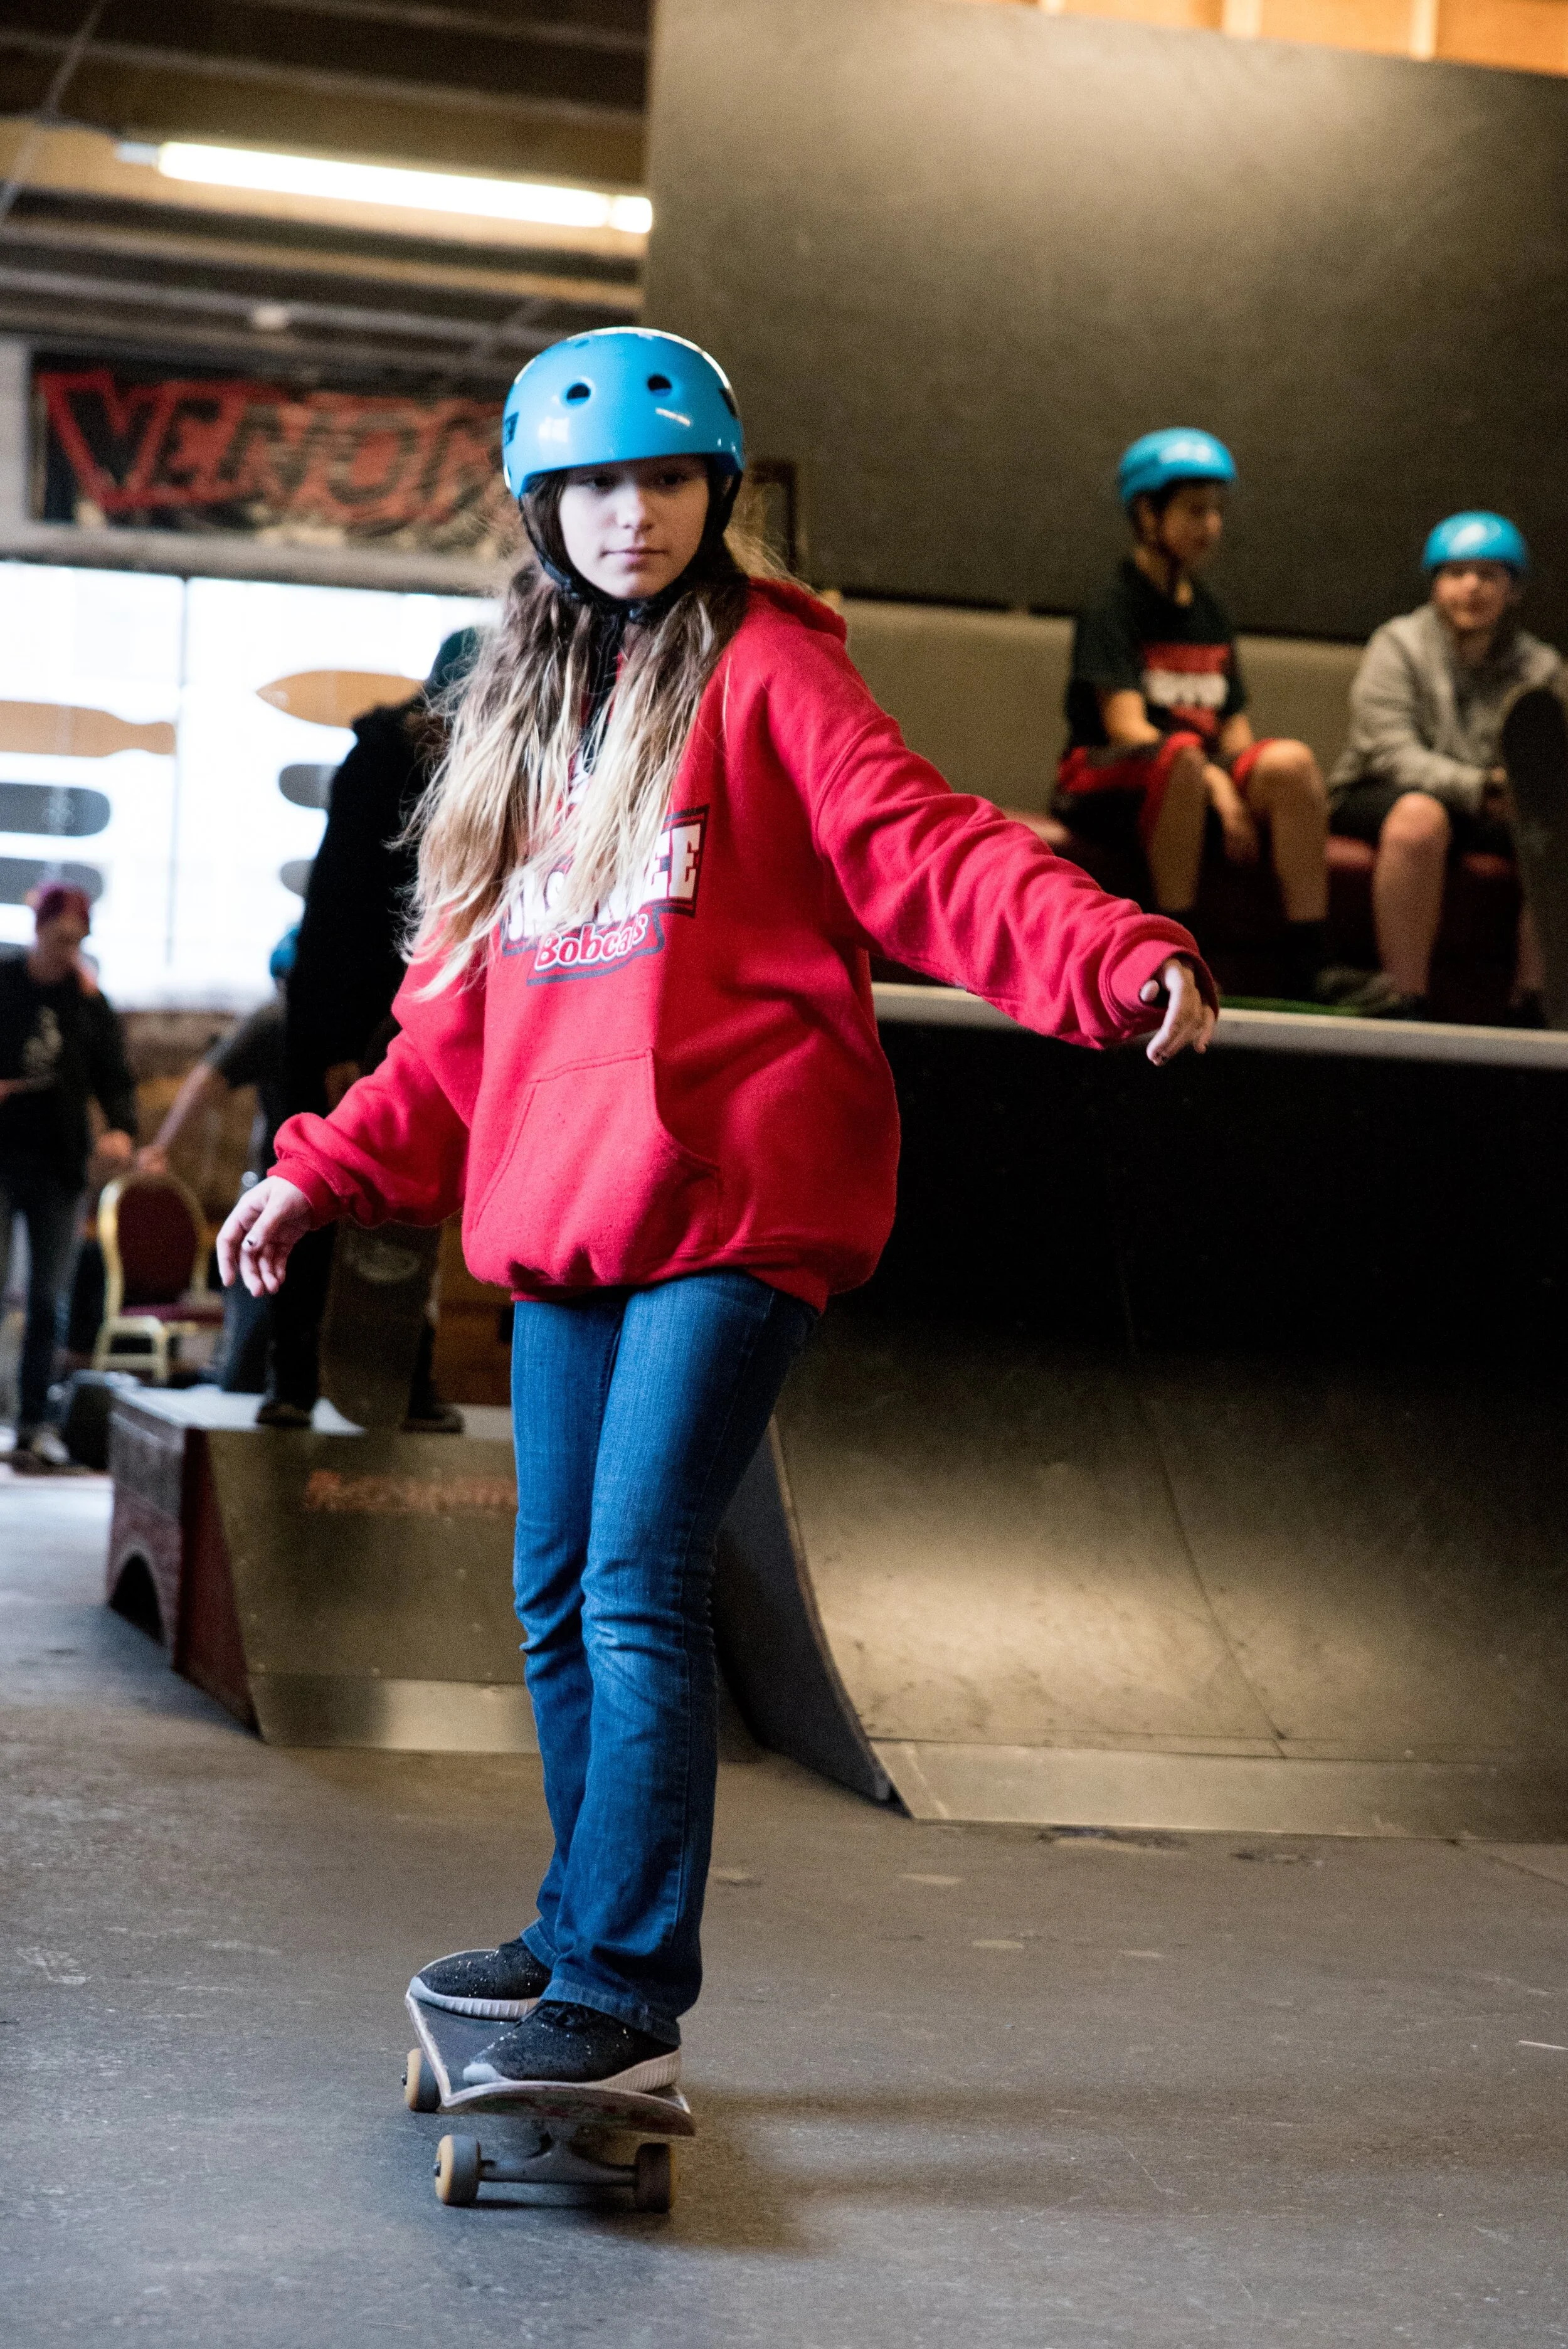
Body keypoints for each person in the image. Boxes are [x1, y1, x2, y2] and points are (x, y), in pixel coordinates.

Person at [219, 326, 1217, 2096]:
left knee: (634, 1580)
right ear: (543, 508)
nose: (630, 516)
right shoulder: (518, 733)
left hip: (737, 1196)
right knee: (548, 1593)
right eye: (593, 486)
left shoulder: (768, 676)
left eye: (664, 480)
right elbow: (451, 1029)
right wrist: (318, 1167)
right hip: (568, 1216)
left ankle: (617, 1981)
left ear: (713, 496)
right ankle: (578, 1909)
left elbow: (923, 846)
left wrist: (1104, 949)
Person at [1056, 428, 1389, 1010]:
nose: (1209, 525)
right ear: (1146, 512)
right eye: (1192, 511)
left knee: (1290, 763)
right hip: (1106, 778)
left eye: (1215, 512)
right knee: (1181, 756)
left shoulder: (1209, 610)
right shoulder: (1112, 605)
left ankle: (1311, 961)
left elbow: (1234, 731)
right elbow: (1127, 728)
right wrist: (1216, 783)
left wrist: (1252, 788)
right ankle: (1179, 956)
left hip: (1192, 776)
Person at [261, 632, 480, 1430]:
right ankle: (288, 1378)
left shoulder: (478, 773)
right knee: (312, 1203)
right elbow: (340, 919)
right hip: (338, 1017)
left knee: (409, 1213)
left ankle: (404, 1376)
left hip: (413, 1017)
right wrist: (335, 1051)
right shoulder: (381, 765)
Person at [1329, 512, 1559, 1019]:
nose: (1471, 587)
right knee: (1421, 818)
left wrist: (1521, 795)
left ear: (1513, 590)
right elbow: (1389, 750)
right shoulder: (1398, 644)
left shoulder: (1540, 667)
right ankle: (1405, 997)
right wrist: (1479, 788)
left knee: (1556, 830)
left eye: (1488, 575)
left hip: (1489, 807)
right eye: (1456, 573)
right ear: (1436, 584)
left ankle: (1535, 1004)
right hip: (1382, 790)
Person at [0, 883, 137, 1466]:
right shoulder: (5, 981)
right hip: (2, 1158)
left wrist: (122, 1129)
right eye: (60, 940)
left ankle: (35, 1424)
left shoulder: (88, 1001)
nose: (68, 952)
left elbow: (115, 1075)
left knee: (48, 1300)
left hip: (58, 1165)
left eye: (78, 942)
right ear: (38, 931)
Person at [137, 928, 297, 1393]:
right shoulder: (282, 1017)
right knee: (261, 1300)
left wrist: (163, 1145)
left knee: (262, 1298)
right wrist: (163, 1146)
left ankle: (250, 1381)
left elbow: (205, 1082)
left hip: (283, 1181)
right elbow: (206, 1081)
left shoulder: (276, 1015)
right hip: (294, 1179)